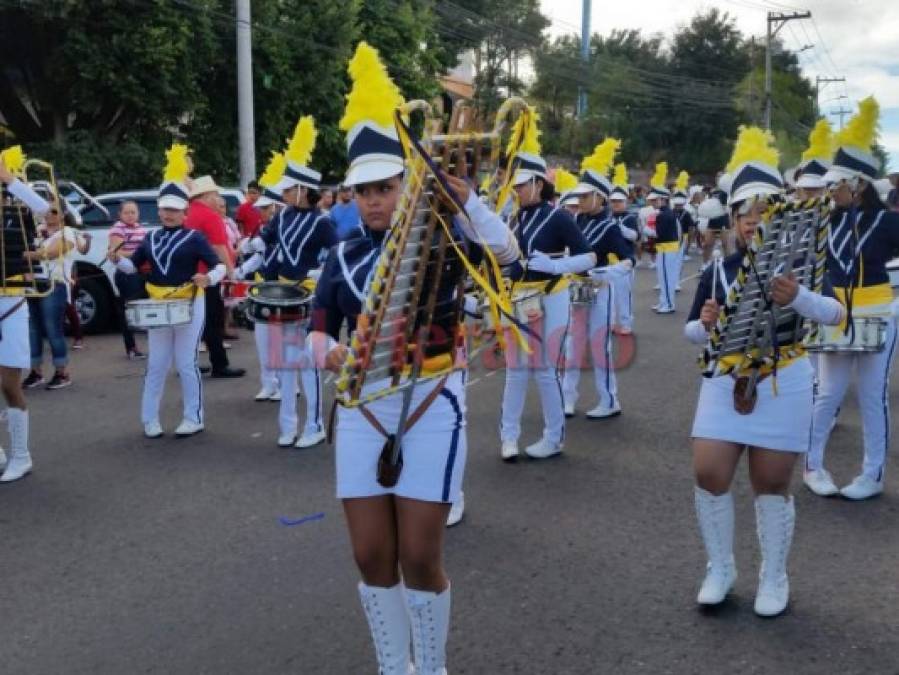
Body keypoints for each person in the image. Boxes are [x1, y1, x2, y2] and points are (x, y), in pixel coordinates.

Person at [310, 42, 518, 675]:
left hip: (430, 400)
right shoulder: (339, 253)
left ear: (407, 184)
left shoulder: (445, 235)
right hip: (361, 409)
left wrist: (468, 204)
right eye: (364, 190)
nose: (375, 199)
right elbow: (319, 325)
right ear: (351, 194)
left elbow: (507, 255)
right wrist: (323, 349)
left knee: (420, 557)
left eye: (387, 186)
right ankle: (391, 666)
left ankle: (430, 667)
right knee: (372, 555)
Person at [684, 126, 845, 617]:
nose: (753, 220)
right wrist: (704, 325)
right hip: (724, 382)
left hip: (785, 378)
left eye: (762, 209)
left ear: (779, 211)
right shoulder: (720, 268)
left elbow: (837, 315)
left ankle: (773, 576)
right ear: (732, 218)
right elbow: (692, 332)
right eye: (744, 212)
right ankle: (720, 567)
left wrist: (797, 296)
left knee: (772, 482)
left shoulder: (804, 261)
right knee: (708, 472)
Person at [804, 97, 899, 500]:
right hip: (834, 313)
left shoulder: (890, 221)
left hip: (878, 312)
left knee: (872, 396)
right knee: (827, 393)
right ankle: (812, 465)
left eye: (836, 183)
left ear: (858, 185)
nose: (829, 189)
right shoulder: (824, 219)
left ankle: (872, 474)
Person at [112, 144, 225, 438]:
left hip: (189, 302)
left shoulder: (195, 237)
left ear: (185, 211)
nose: (168, 214)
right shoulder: (150, 238)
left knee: (187, 362)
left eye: (175, 210)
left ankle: (193, 416)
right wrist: (116, 258)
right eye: (164, 209)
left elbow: (220, 266)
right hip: (159, 305)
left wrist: (208, 279)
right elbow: (132, 268)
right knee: (157, 363)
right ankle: (150, 419)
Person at [499, 117, 596, 461]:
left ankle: (553, 437)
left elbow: (589, 256)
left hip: (551, 298)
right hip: (518, 299)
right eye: (516, 185)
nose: (517, 190)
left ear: (539, 184)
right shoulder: (513, 217)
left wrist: (555, 265)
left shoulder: (559, 217)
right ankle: (508, 437)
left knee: (544, 370)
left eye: (523, 185)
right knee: (514, 371)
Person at [242, 116, 336, 449]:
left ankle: (315, 425)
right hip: (282, 294)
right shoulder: (283, 215)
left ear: (302, 190)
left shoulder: (323, 223)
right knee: (284, 362)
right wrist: (253, 249)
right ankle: (287, 425)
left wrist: (319, 273)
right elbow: (268, 241)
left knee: (307, 362)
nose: (282, 193)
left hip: (310, 297)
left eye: (287, 188)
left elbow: (333, 257)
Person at [562, 139, 634, 419]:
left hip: (600, 289)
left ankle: (609, 400)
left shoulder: (609, 226)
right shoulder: (577, 221)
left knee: (599, 346)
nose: (579, 201)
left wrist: (607, 272)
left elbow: (629, 259)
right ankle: (568, 398)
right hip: (577, 288)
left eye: (585, 196)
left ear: (600, 197)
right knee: (572, 344)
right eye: (578, 196)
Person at [0, 148, 48, 482]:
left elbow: (45, 208)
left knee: (7, 381)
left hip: (12, 299)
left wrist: (9, 179)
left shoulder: (18, 208)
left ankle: (21, 455)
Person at [237, 152, 286, 402]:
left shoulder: (288, 229)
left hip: (284, 288)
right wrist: (241, 271)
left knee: (281, 340)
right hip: (263, 286)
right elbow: (260, 256)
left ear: (278, 207)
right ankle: (268, 382)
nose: (261, 213)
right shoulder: (262, 229)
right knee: (262, 336)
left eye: (265, 208)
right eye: (260, 209)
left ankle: (287, 384)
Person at [185, 175, 245, 378]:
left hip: (190, 274)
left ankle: (189, 362)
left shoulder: (188, 213)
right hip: (208, 275)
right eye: (215, 194)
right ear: (206, 195)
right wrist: (230, 272)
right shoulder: (210, 216)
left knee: (194, 321)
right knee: (212, 320)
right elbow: (219, 247)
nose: (218, 198)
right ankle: (220, 364)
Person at [22, 204, 85, 389]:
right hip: (32, 285)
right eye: (46, 210)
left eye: (55, 210)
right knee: (32, 330)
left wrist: (23, 254)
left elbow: (51, 253)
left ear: (64, 214)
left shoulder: (68, 233)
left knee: (53, 330)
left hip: (54, 285)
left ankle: (62, 372)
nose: (49, 214)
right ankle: (36, 372)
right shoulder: (36, 231)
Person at [108, 200, 148, 359]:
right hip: (126, 274)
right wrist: (140, 253)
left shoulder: (140, 228)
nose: (130, 216)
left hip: (142, 272)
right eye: (127, 212)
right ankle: (131, 347)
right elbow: (117, 252)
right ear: (120, 214)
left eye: (133, 212)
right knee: (129, 310)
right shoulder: (117, 229)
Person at [608, 164, 638, 334]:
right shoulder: (608, 217)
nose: (616, 204)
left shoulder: (630, 217)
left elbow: (635, 236)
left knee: (624, 296)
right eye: (613, 201)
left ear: (625, 202)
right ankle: (611, 322)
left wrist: (619, 228)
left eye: (619, 201)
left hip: (624, 261)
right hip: (609, 262)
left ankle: (626, 323)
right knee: (609, 296)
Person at [649, 163, 678, 314]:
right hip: (665, 249)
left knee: (666, 279)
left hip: (667, 249)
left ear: (662, 199)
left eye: (655, 200)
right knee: (663, 278)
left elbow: (660, 234)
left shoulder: (664, 214)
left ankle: (668, 304)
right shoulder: (665, 212)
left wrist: (647, 230)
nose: (652, 203)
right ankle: (663, 301)